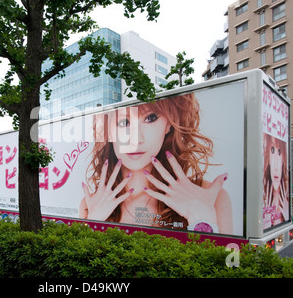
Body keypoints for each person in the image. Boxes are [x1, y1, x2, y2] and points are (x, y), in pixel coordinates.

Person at [79, 93, 233, 234]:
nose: (136, 139)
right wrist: (94, 220)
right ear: (109, 131)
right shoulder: (92, 203)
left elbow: (224, 262)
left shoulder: (210, 196)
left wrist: (202, 219)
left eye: (150, 118)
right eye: (124, 122)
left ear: (168, 124)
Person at [262, 133, 289, 228]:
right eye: (272, 150)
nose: (276, 166)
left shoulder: (286, 197)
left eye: (279, 152)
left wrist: (286, 215)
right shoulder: (262, 195)